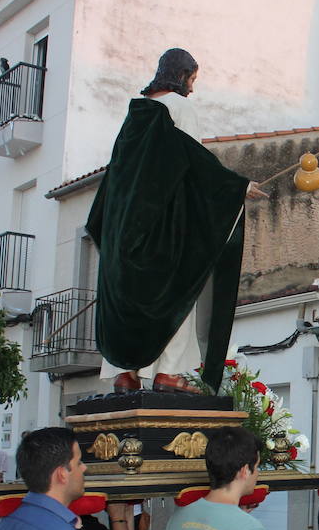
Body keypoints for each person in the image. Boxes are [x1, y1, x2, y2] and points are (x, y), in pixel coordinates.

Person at [88, 47, 269, 396]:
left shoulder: (134, 117)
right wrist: (237, 187)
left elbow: (120, 179)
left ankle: (125, 374)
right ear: (183, 75)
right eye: (193, 79)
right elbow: (192, 161)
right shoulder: (181, 108)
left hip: (122, 232)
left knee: (126, 303)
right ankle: (167, 373)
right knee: (176, 294)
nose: (193, 88)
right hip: (160, 228)